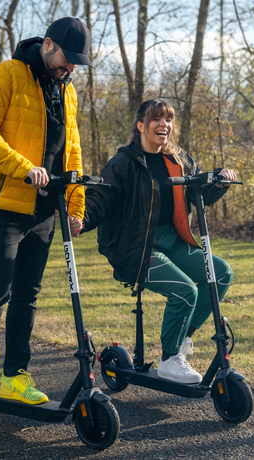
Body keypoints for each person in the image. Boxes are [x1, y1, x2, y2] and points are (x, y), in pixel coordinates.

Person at [0, 17, 89, 404]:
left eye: (76, 62)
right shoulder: (7, 74)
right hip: (3, 204)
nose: (70, 67)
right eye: (67, 58)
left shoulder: (66, 90)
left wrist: (75, 204)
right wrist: (23, 168)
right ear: (48, 44)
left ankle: (15, 375)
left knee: (27, 295)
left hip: (44, 209)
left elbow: (72, 151)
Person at [82, 98, 236, 384]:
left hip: (173, 240)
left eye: (168, 119)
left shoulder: (178, 160)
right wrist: (82, 218)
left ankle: (181, 341)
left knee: (222, 273)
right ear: (141, 125)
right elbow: (101, 199)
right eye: (156, 119)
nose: (164, 125)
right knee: (185, 291)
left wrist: (219, 183)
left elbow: (197, 194)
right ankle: (169, 359)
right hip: (138, 248)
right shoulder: (123, 163)